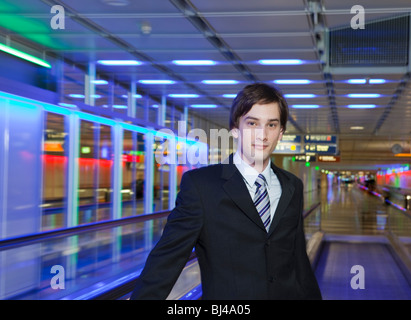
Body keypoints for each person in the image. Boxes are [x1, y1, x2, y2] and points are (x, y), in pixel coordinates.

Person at [130, 83, 322, 300]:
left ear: (281, 132)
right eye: (252, 123)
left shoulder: (292, 186)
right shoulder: (201, 186)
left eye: (271, 125)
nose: (262, 135)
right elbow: (166, 260)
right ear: (235, 130)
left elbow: (298, 260)